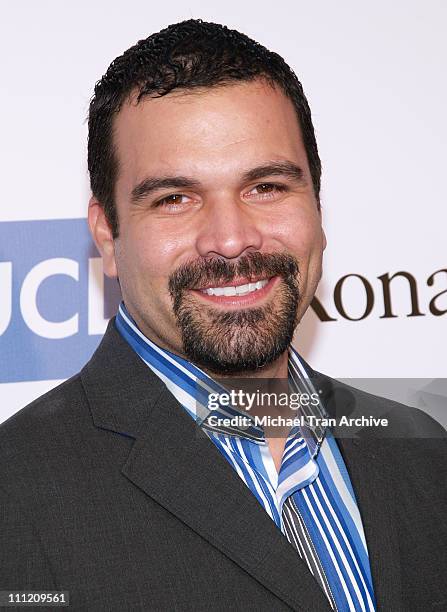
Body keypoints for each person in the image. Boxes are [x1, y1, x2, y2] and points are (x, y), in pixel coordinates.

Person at [0, 19, 445, 612]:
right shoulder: (15, 496)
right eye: (174, 199)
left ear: (317, 203)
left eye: (265, 186)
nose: (231, 240)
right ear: (107, 234)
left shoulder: (421, 452)